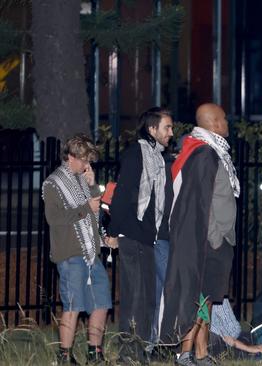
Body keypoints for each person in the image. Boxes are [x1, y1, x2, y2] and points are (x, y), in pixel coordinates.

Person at [160, 103, 238, 366]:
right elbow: (200, 205)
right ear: (214, 123)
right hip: (208, 242)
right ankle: (184, 353)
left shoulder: (210, 151)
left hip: (216, 240)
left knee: (206, 300)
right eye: (224, 118)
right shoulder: (205, 154)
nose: (227, 122)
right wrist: (215, 237)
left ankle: (201, 353)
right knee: (198, 299)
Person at [106, 107, 174, 362]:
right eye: (167, 127)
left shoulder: (156, 156)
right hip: (132, 234)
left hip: (147, 235)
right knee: (136, 296)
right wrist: (114, 232)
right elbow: (122, 196)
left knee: (147, 297)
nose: (171, 133)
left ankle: (142, 349)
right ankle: (129, 353)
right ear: (152, 129)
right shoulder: (136, 154)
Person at [43, 134, 116, 364]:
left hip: (91, 253)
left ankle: (95, 352)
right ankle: (64, 355)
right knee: (73, 305)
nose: (88, 165)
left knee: (102, 302)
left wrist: (93, 186)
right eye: (84, 160)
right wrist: (86, 206)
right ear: (71, 156)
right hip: (70, 254)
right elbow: (54, 219)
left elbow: (95, 215)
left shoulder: (83, 180)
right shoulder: (53, 183)